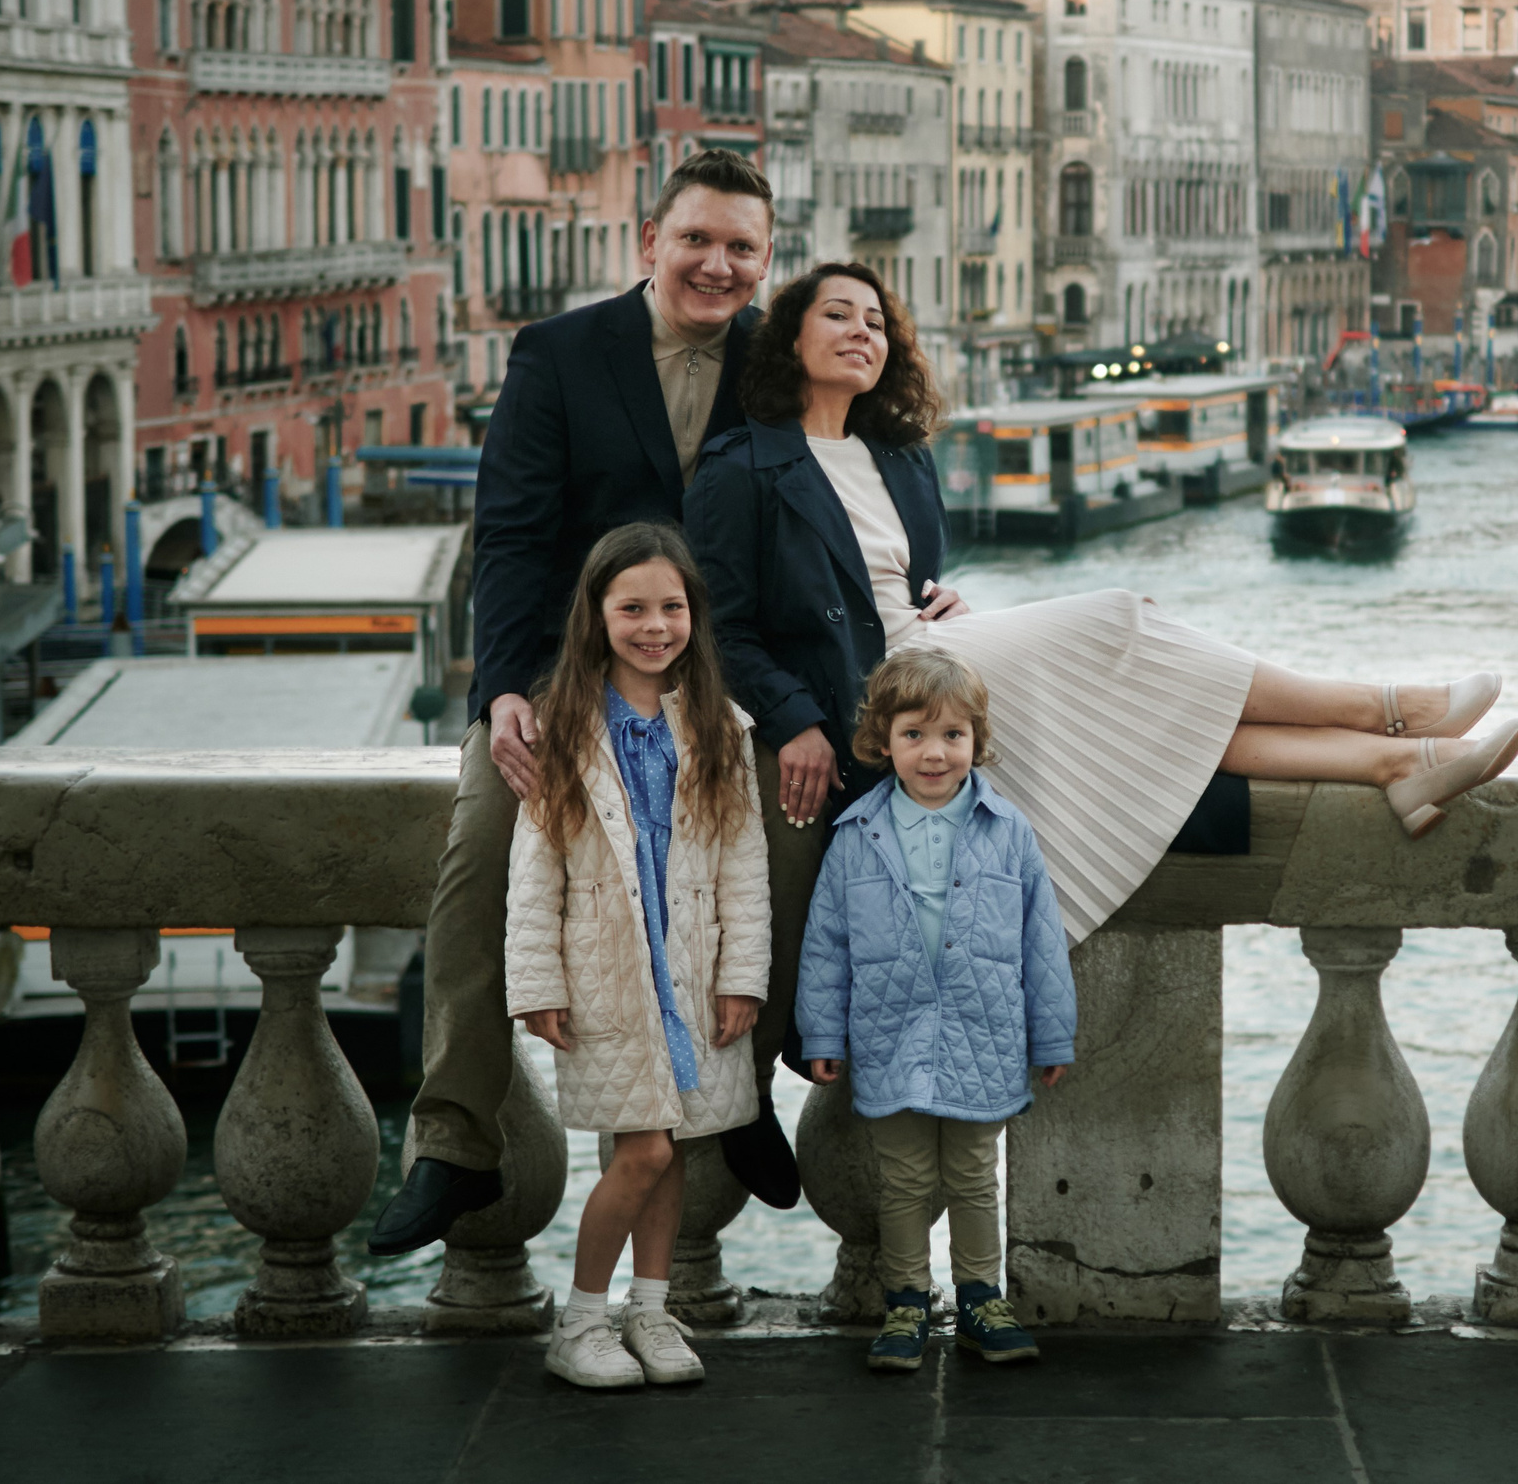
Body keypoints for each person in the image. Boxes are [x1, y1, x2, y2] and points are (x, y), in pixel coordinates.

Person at [684, 262, 1518, 949]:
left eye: (874, 322)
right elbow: (723, 626)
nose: (861, 332)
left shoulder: (899, 456)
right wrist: (795, 718)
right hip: (873, 686)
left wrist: (945, 599)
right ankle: (1392, 708)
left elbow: (901, 585)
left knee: (1167, 709)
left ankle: (1395, 765)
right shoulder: (742, 467)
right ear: (790, 338)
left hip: (938, 651)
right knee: (1121, 617)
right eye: (837, 316)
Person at [373, 149, 801, 1260]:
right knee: (479, 854)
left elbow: (853, 498)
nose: (718, 263)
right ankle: (454, 1139)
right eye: (697, 238)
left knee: (795, 843)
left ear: (767, 260)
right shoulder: (558, 352)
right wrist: (506, 689)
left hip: (725, 679)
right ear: (648, 240)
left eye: (742, 247)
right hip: (567, 672)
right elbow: (510, 535)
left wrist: (927, 582)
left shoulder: (780, 363)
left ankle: (745, 1098)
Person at [504, 523, 770, 1389]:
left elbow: (745, 864)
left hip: (691, 965)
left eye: (671, 606)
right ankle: (582, 1319)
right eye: (633, 608)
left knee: (676, 1148)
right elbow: (535, 869)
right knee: (645, 1151)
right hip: (610, 972)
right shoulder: (564, 727)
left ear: (694, 613)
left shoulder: (722, 729)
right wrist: (536, 982)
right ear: (597, 615)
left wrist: (743, 976)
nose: (655, 625)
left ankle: (650, 1312)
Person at [795, 647, 1073, 1372]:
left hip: (983, 1031)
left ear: (977, 741)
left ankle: (983, 1298)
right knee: (907, 1180)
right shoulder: (856, 835)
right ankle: (906, 1303)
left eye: (953, 734)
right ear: (881, 741)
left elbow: (1041, 942)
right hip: (892, 1031)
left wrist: (1052, 1035)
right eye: (914, 734)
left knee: (976, 1174)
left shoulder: (1007, 831)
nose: (934, 752)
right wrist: (820, 1033)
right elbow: (826, 944)